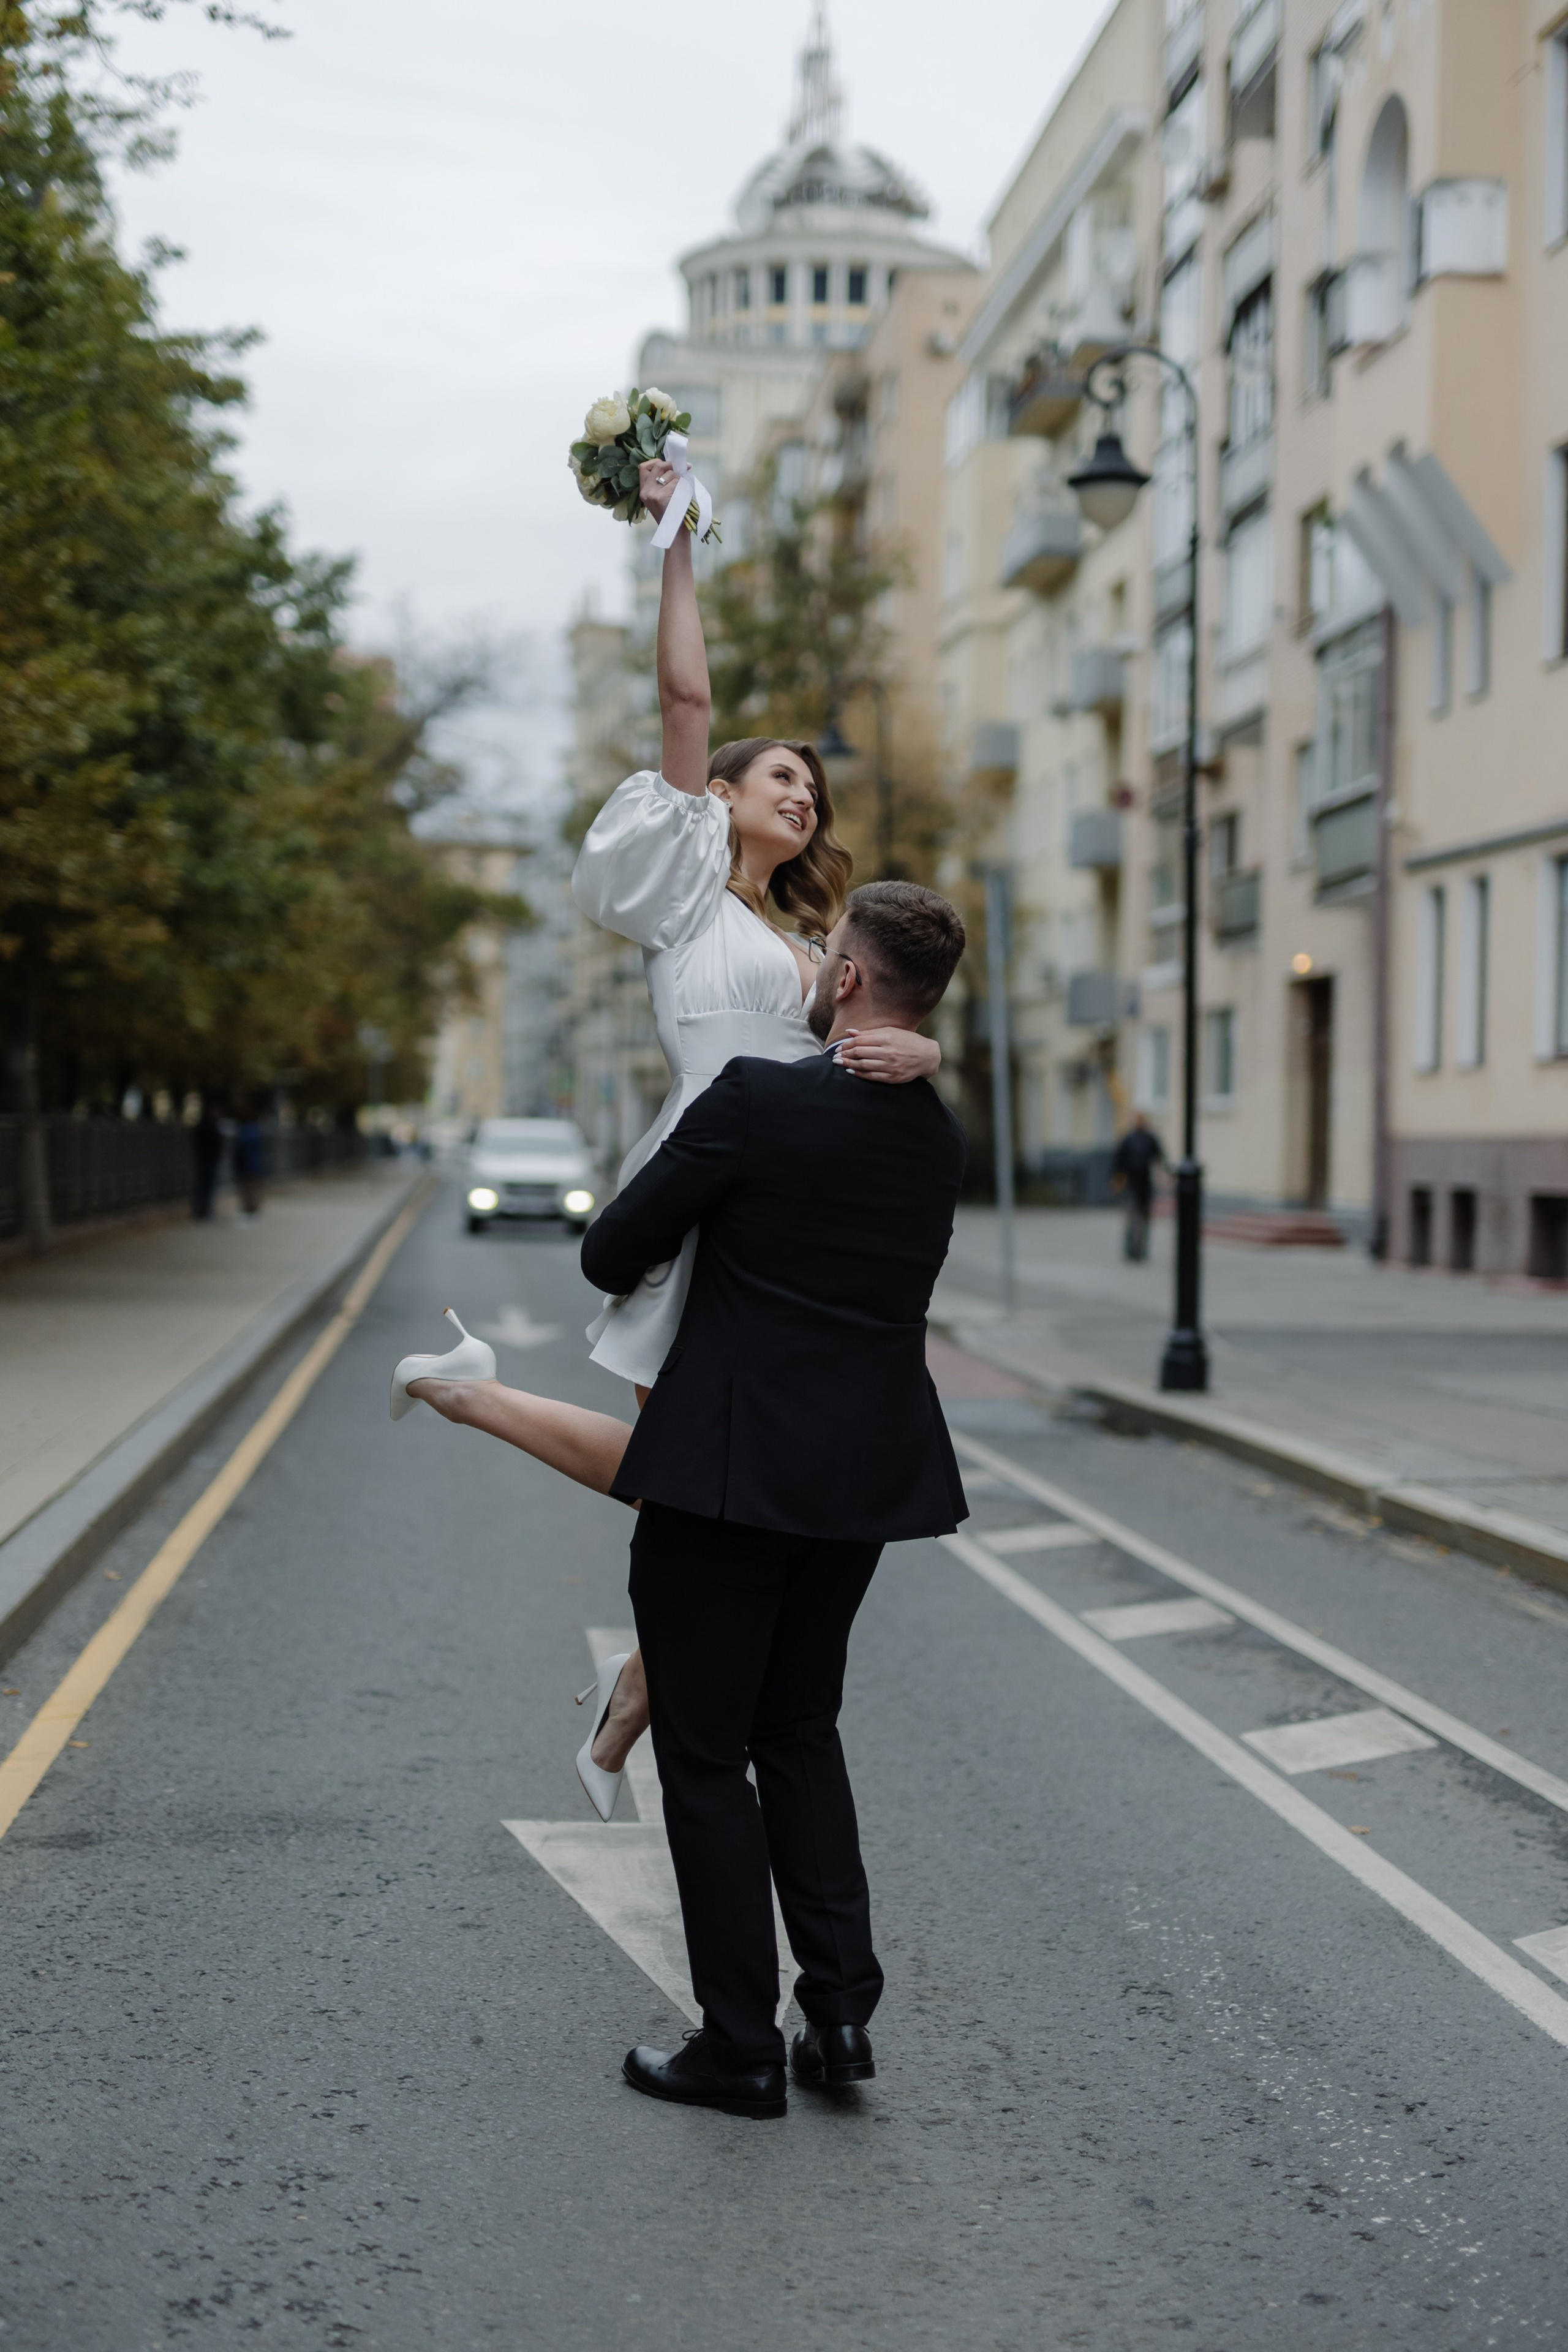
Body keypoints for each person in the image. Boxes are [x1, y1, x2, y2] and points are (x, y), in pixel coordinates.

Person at [388, 451, 941, 1811]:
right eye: (777, 778)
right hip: (695, 1189)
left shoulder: (810, 943)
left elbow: (866, 1042)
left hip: (778, 1201)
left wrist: (921, 1051)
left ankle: (643, 1672)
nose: (800, 795)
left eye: (813, 788)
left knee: (711, 1489)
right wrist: (675, 541)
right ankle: (470, 1396)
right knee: (681, 1478)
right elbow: (684, 697)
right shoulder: (690, 888)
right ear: (720, 796)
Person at [1110, 1110, 1165, 1261]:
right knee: (1133, 1218)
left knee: (1145, 1219)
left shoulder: (1150, 1139)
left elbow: (1159, 1157)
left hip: (1145, 1185)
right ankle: (1132, 1250)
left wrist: (1162, 1175)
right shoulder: (1129, 1139)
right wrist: (1117, 1181)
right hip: (1131, 1185)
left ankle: (1141, 1251)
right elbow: (1119, 1162)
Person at [190, 1105, 225, 1222]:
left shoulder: (205, 1125)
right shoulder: (211, 1126)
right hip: (209, 1160)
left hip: (205, 1160)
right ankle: (205, 1212)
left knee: (203, 1187)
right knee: (208, 1187)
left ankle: (200, 1211)